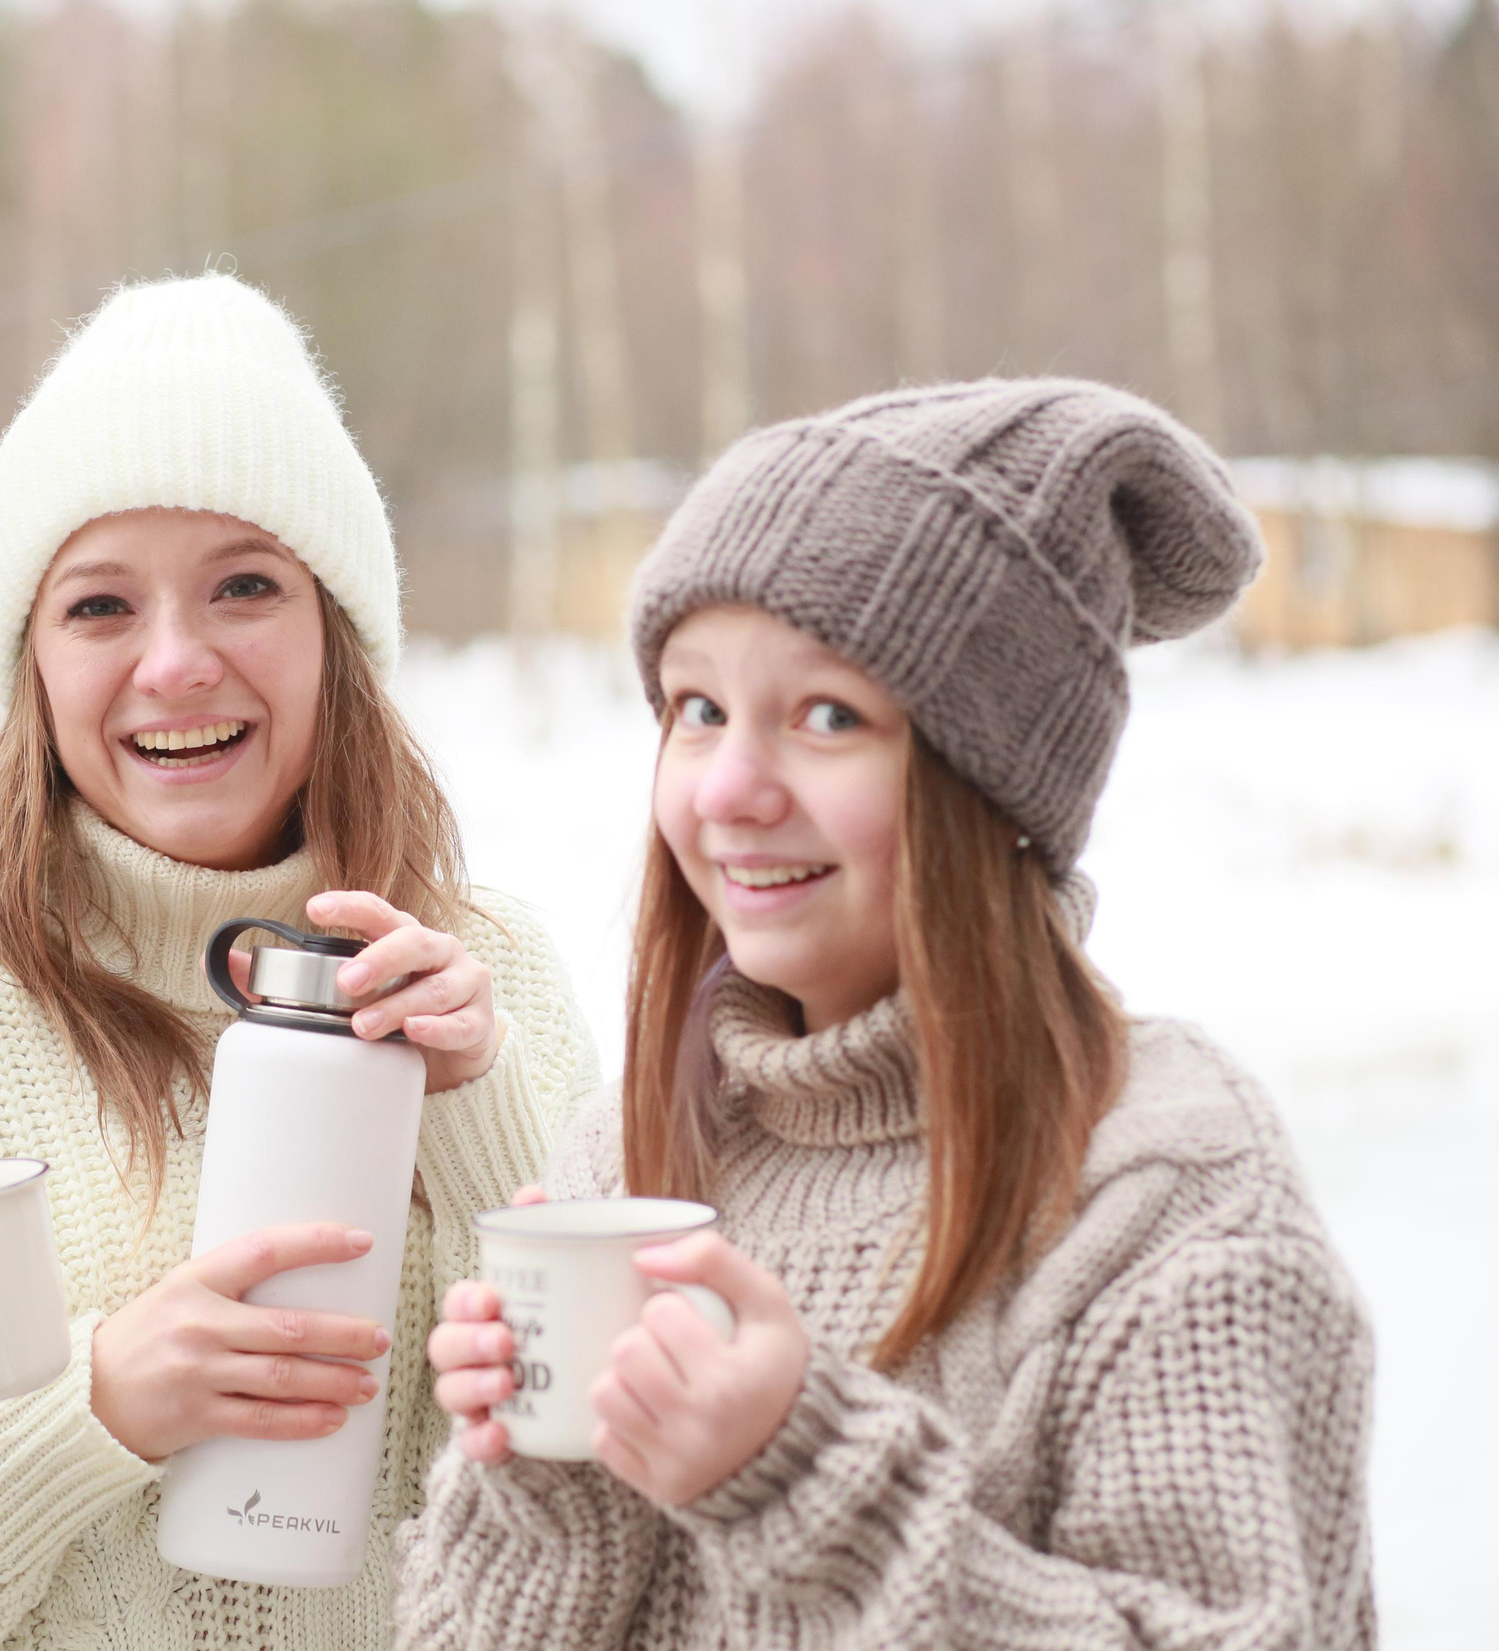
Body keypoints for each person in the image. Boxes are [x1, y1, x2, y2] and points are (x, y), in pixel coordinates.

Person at [0, 273, 596, 1649]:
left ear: (339, 630)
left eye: (246, 586)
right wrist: (95, 1407)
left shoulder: (494, 981)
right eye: (99, 606)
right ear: (30, 661)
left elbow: (629, 1502)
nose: (176, 662)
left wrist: (476, 1110)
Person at [397, 380, 1376, 1647]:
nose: (731, 789)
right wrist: (551, 1485)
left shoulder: (1166, 1191)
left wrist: (806, 1485)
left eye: (827, 716)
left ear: (994, 780)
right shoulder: (634, 1157)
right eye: (696, 710)